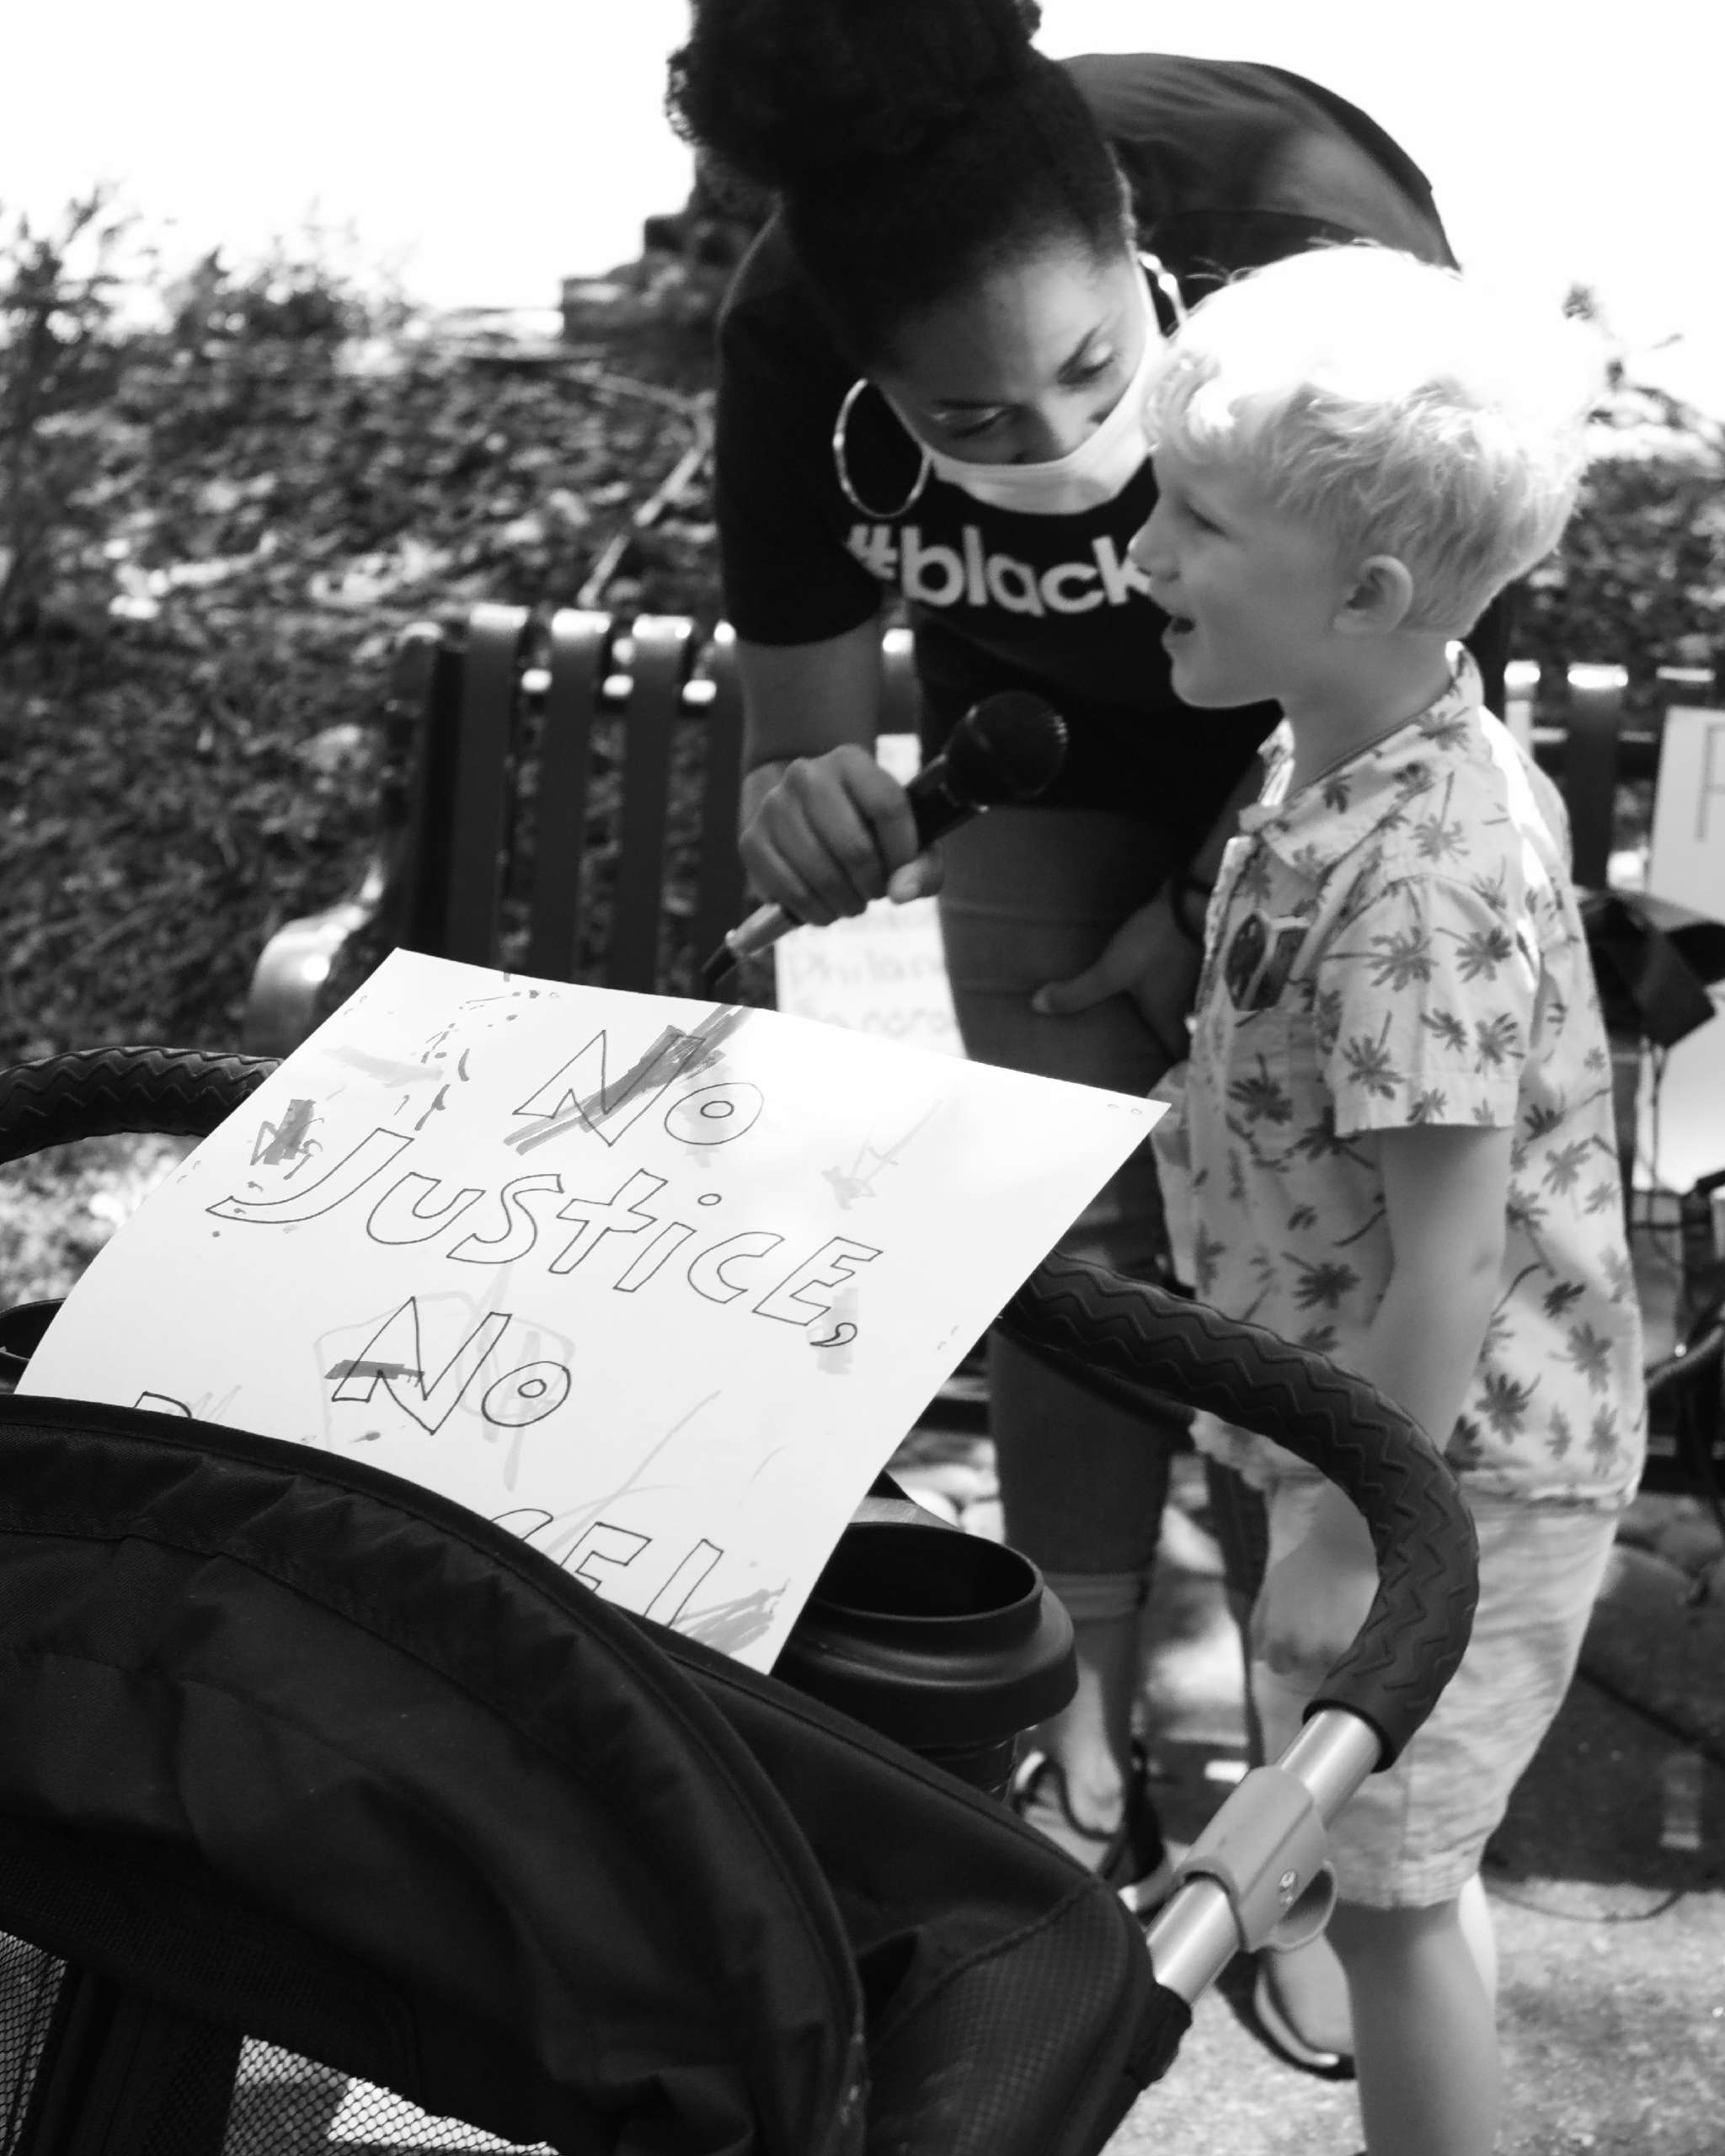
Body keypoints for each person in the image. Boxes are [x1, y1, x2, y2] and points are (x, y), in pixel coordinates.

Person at [665, 0, 1495, 2054]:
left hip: (1320, 746)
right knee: (1061, 1230)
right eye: (965, 412)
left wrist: (1195, 907)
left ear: (1147, 252)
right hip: (1026, 745)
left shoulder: (1319, 253)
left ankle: (1305, 1763)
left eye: (1089, 375)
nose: (1044, 447)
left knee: (1297, 1248)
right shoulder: (789, 334)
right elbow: (808, 735)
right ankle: (1076, 1737)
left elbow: (1409, 683)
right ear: (865, 368)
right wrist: (820, 803)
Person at [1136, 243, 1645, 2156]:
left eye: (1196, 522)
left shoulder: (1423, 871)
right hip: (1377, 1434)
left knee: (1398, 1896)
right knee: (1398, 1858)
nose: (1141, 557)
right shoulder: (1342, 751)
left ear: (1361, 594)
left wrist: (1372, 1532)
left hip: (1453, 1468)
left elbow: (1448, 1255)